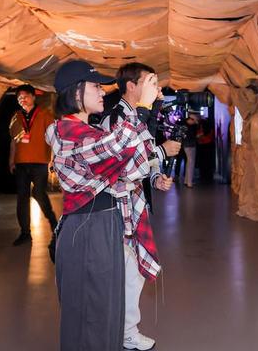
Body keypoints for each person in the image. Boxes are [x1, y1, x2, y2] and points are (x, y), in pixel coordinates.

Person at [45, 60, 158, 351]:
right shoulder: (65, 132)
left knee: (106, 308)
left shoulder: (88, 131)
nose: (102, 92)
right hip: (88, 227)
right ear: (76, 92)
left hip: (104, 224)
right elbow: (116, 150)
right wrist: (142, 110)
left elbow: (132, 168)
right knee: (91, 312)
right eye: (95, 86)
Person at [101, 62, 180, 350]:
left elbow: (145, 157)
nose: (156, 88)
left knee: (132, 271)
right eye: (151, 82)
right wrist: (162, 151)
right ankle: (124, 331)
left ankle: (125, 330)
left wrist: (157, 178)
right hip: (118, 207)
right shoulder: (116, 118)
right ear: (132, 86)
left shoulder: (138, 116)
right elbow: (124, 164)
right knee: (126, 272)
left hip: (135, 205)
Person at [8, 84, 58, 246]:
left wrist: (53, 159)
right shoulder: (16, 117)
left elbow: (53, 139)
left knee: (39, 193)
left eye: (25, 96)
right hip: (21, 162)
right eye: (19, 97)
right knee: (22, 198)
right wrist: (11, 160)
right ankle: (25, 233)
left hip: (39, 162)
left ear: (34, 97)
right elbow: (13, 141)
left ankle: (54, 224)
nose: (22, 99)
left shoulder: (45, 115)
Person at [183, 113, 199, 188]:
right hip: (190, 145)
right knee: (191, 163)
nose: (195, 122)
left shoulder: (185, 125)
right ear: (191, 120)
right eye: (194, 121)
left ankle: (187, 181)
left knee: (189, 162)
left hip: (186, 145)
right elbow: (193, 136)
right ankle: (189, 182)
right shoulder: (189, 127)